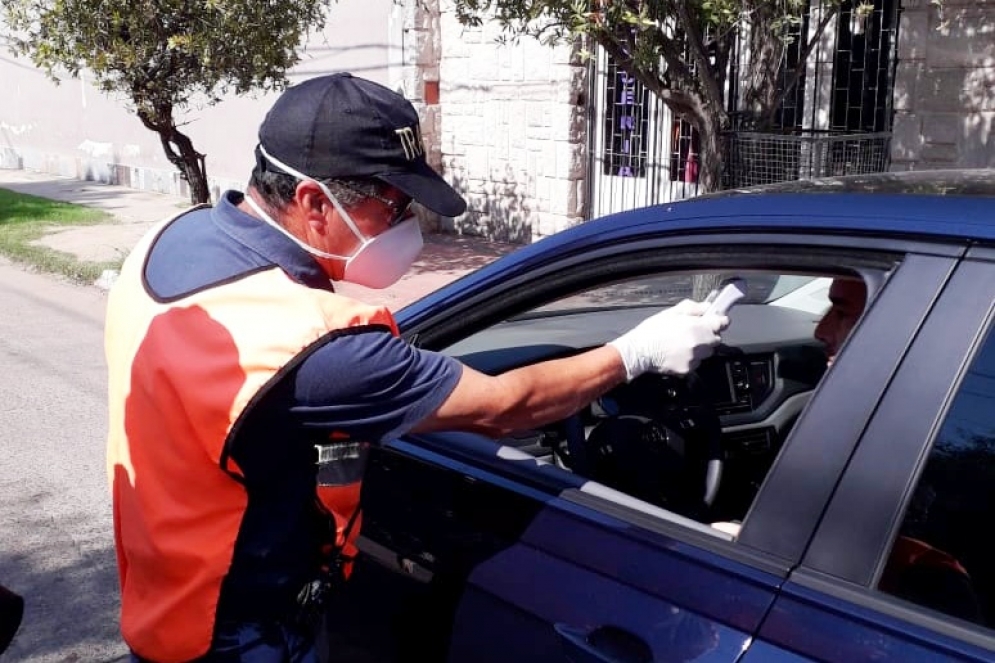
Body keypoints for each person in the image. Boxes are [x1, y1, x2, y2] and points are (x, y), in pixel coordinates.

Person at [104, 72, 729, 663]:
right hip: (237, 632)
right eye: (395, 205)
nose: (409, 225)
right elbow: (508, 406)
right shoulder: (312, 346)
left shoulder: (169, 243)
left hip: (164, 594)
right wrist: (636, 352)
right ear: (314, 202)